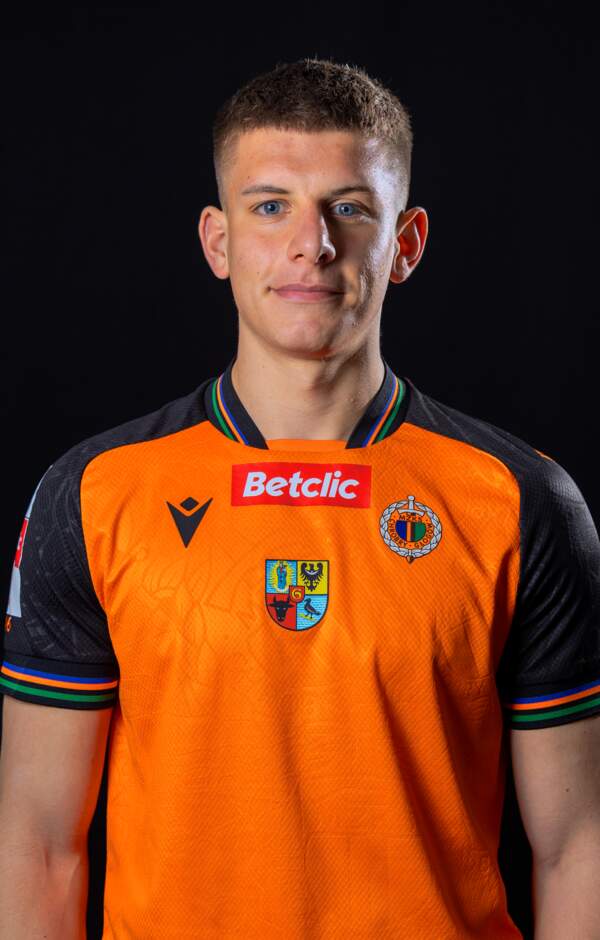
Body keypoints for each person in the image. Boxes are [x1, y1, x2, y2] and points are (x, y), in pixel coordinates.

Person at [1, 56, 599, 940]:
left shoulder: (521, 499)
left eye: (349, 208)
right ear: (218, 241)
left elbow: (577, 844)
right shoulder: (93, 494)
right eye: (270, 205)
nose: (311, 244)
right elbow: (40, 844)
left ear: (406, 243)